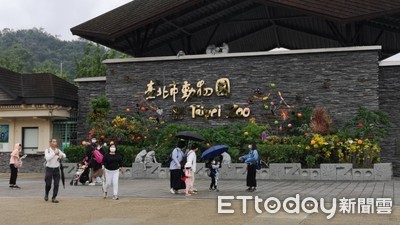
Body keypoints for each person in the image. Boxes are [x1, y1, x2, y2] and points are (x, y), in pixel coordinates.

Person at [44, 138, 66, 203]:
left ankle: (54, 197)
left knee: (56, 184)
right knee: (48, 184)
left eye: (55, 141)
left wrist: (61, 155)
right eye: (53, 141)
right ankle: (46, 194)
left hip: (56, 169)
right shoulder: (47, 150)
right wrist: (54, 154)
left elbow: (64, 155)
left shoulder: (58, 150)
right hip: (49, 169)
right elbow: (47, 158)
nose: (55, 143)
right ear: (50, 143)